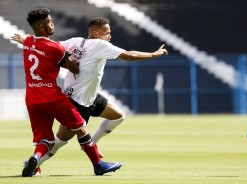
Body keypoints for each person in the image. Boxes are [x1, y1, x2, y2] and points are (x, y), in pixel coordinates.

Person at [12, 17, 168, 175]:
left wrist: (27, 41)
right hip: (77, 100)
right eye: (106, 33)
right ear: (94, 33)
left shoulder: (74, 41)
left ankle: (91, 144)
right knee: (60, 141)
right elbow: (128, 55)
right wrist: (154, 54)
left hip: (91, 97)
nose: (109, 36)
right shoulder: (100, 45)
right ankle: (33, 162)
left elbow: (50, 47)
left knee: (118, 116)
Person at [15, 8, 122, 177]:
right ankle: (98, 165)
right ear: (43, 27)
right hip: (53, 97)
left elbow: (32, 43)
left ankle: (35, 159)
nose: (52, 24)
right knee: (81, 129)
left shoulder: (28, 42)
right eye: (50, 22)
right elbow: (75, 68)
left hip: (32, 98)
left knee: (45, 139)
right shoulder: (55, 47)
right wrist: (75, 57)